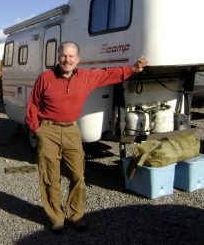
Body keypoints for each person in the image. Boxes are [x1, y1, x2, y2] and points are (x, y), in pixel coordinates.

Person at [25, 41, 149, 234]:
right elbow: (32, 104)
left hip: (72, 130)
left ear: (77, 59)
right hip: (48, 130)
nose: (67, 60)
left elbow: (109, 74)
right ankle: (56, 218)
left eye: (71, 56)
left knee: (78, 176)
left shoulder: (86, 76)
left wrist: (132, 69)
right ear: (58, 57)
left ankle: (76, 215)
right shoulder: (45, 77)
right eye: (64, 56)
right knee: (50, 176)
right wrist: (36, 129)